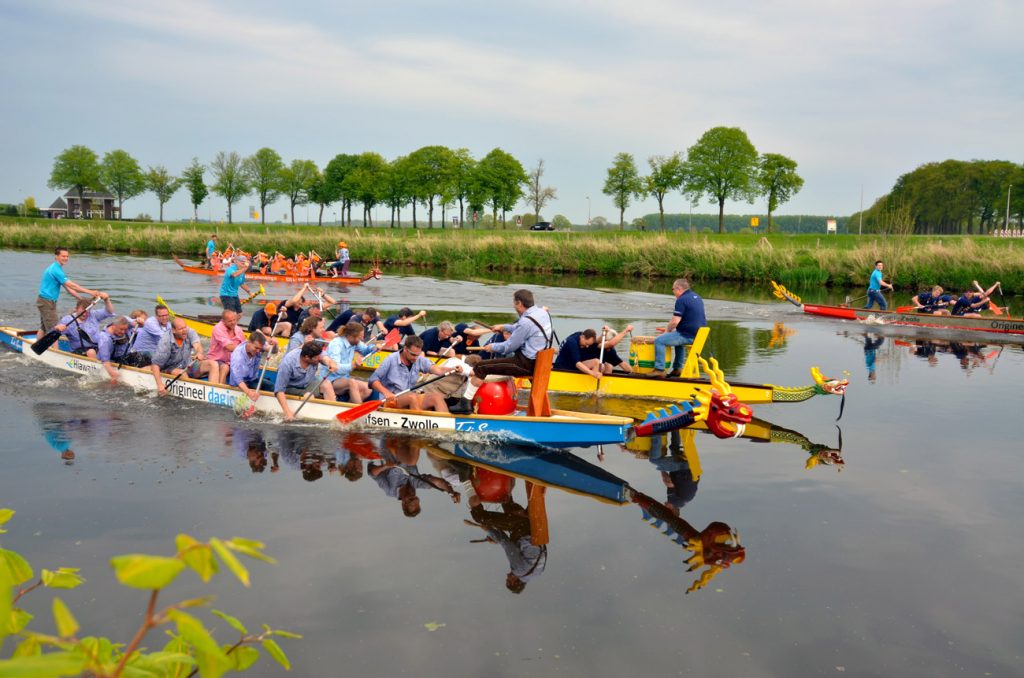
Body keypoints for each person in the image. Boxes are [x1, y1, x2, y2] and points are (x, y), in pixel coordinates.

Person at [368, 335, 461, 412]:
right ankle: (418, 429)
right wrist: (386, 393)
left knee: (437, 397)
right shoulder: (390, 359)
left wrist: (453, 369)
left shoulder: (419, 359)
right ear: (405, 349)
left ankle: (445, 427)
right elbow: (372, 380)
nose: (415, 358)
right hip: (391, 399)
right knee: (412, 397)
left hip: (409, 397)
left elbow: (439, 371)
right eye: (413, 354)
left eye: (418, 355)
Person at [474, 289, 553, 379]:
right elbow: (525, 328)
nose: (513, 306)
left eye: (514, 303)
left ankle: (469, 394)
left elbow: (509, 347)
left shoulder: (526, 322)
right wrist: (504, 327)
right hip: (540, 361)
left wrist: (492, 347)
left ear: (519, 303)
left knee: (480, 367)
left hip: (526, 364)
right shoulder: (543, 313)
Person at [37, 247, 107, 334]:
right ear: (56, 256)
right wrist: (91, 292)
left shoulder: (57, 269)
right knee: (55, 330)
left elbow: (69, 289)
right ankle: (53, 348)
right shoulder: (55, 270)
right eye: (63, 256)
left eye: (67, 256)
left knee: (44, 327)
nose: (66, 258)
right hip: (46, 302)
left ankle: (34, 346)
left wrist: (80, 299)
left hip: (45, 301)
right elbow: (72, 285)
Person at [649, 279, 706, 378]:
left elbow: (675, 321)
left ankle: (659, 369)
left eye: (673, 289)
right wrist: (671, 331)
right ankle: (677, 369)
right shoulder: (697, 297)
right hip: (699, 335)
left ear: (678, 289)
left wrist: (667, 332)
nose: (673, 292)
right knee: (678, 342)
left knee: (659, 340)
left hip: (688, 336)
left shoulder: (681, 300)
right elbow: (691, 319)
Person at [273, 342, 341, 421]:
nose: (319, 359)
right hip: (291, 388)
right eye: (317, 358)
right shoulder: (287, 363)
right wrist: (287, 412)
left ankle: (333, 415)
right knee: (308, 395)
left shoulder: (315, 354)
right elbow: (279, 390)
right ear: (307, 357)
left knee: (326, 384)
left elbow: (324, 357)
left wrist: (330, 363)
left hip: (308, 383)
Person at [149, 318, 217, 395]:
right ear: (174, 330)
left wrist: (199, 352)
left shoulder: (189, 331)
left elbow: (198, 346)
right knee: (182, 373)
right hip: (169, 368)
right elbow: (155, 365)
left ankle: (213, 392)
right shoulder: (165, 342)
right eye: (181, 329)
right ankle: (193, 393)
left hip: (187, 365)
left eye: (185, 327)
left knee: (213, 364)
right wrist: (160, 385)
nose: (184, 330)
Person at [321, 322, 378, 403]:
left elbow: (366, 350)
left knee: (368, 388)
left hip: (344, 379)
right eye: (360, 337)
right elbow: (336, 368)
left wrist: (374, 348)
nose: (362, 339)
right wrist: (353, 365)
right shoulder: (336, 344)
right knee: (352, 382)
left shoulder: (355, 342)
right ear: (351, 336)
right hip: (330, 379)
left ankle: (349, 408)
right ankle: (359, 411)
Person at [227, 331, 272, 400]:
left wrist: (274, 346)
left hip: (252, 379)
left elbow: (274, 350)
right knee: (258, 387)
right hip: (240, 384)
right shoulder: (237, 356)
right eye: (256, 348)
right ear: (249, 342)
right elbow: (238, 380)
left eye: (260, 349)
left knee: (271, 386)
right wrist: (249, 393)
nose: (258, 351)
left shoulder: (258, 345)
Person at [207, 309, 246, 383]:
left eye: (234, 320)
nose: (233, 323)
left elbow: (244, 345)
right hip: (216, 360)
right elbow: (229, 347)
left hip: (230, 362)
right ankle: (221, 388)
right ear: (224, 321)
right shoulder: (218, 328)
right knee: (225, 367)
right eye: (230, 321)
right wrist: (245, 350)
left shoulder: (239, 330)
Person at [96, 316, 133, 383]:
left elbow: (134, 322)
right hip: (112, 360)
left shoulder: (124, 325)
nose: (123, 332)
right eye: (121, 329)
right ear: (113, 326)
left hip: (126, 356)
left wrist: (139, 321)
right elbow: (105, 361)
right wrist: (113, 374)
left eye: (125, 330)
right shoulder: (105, 338)